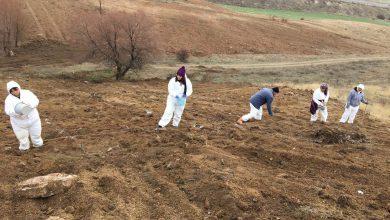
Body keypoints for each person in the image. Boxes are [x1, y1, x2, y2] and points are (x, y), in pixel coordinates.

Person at [4, 81, 43, 151]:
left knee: (36, 134)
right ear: (9, 92)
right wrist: (18, 112)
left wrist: (28, 106)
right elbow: (8, 111)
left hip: (33, 119)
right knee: (22, 137)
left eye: (15, 89)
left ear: (18, 87)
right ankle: (24, 148)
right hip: (19, 123)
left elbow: (35, 100)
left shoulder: (27, 93)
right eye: (11, 91)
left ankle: (38, 145)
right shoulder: (9, 99)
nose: (14, 91)